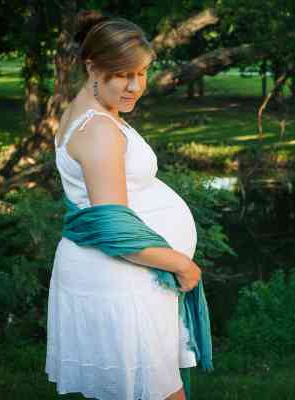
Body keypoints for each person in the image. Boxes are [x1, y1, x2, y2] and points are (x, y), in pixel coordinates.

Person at [45, 11, 206, 400]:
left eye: (143, 73)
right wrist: (182, 264)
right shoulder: (98, 129)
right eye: (124, 75)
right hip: (119, 281)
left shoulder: (93, 111)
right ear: (93, 67)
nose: (136, 86)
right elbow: (112, 229)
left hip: (118, 280)